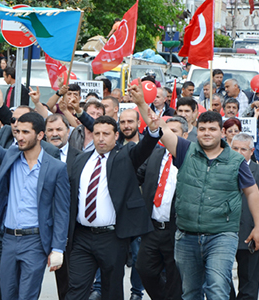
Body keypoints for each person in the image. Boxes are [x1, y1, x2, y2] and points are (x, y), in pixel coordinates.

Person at [133, 85, 259, 300]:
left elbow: (252, 193)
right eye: (203, 129)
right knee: (191, 292)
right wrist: (141, 102)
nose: (207, 133)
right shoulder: (185, 150)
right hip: (186, 236)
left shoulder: (236, 161)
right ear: (197, 129)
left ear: (222, 132)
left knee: (216, 287)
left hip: (221, 235)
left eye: (212, 129)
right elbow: (157, 126)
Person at [0, 91, 70, 300]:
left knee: (27, 295)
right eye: (18, 132)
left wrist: (58, 248)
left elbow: (61, 211)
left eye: (25, 132)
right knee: (8, 294)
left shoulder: (56, 168)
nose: (19, 137)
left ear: (40, 135)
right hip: (8, 239)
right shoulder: (10, 158)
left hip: (35, 241)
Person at [63, 84, 160, 300]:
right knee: (75, 290)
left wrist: (152, 129)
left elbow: (146, 147)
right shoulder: (80, 160)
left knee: (111, 291)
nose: (100, 138)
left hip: (112, 238)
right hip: (81, 237)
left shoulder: (124, 157)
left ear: (115, 136)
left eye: (106, 134)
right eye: (96, 134)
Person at [134, 117, 188, 300]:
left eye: (175, 132)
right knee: (144, 269)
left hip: (177, 230)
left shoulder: (190, 158)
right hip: (152, 228)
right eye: (166, 131)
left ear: (185, 135)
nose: (169, 136)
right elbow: (136, 177)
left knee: (175, 278)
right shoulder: (155, 154)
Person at [229, 133, 259, 300]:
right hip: (223, 233)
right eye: (235, 148)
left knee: (249, 282)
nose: (239, 152)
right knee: (219, 280)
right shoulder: (221, 168)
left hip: (251, 233)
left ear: (251, 151)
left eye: (243, 149)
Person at [44, 113, 82, 299]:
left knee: (68, 281)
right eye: (50, 130)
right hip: (40, 228)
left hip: (70, 232)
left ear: (68, 131)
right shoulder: (36, 156)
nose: (55, 134)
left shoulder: (81, 158)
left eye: (59, 129)